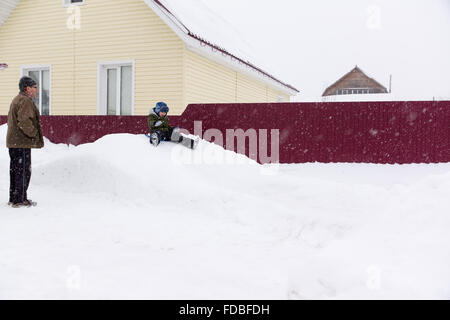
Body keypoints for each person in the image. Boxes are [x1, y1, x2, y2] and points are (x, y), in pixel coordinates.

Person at [6, 76, 44, 208]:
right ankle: (21, 199)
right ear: (27, 88)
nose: (36, 90)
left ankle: (14, 198)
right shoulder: (24, 101)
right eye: (34, 87)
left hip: (14, 142)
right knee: (23, 171)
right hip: (21, 142)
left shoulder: (17, 99)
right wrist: (34, 133)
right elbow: (24, 122)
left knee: (15, 170)